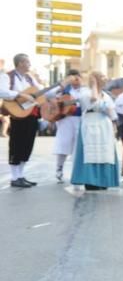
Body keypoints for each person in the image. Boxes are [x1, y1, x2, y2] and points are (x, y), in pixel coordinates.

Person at [1, 54, 42, 187]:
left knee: (27, 145)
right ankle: (14, 177)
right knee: (16, 144)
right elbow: (2, 91)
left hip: (31, 114)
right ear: (20, 63)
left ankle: (21, 175)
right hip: (17, 114)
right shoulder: (7, 76)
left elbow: (41, 91)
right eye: (27, 62)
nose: (30, 65)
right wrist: (20, 94)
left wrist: (59, 87)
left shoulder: (30, 78)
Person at [70, 79, 120, 190]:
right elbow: (94, 100)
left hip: (104, 124)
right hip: (90, 121)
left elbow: (111, 110)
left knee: (105, 153)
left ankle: (103, 180)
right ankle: (91, 181)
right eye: (101, 78)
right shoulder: (85, 92)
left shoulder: (106, 95)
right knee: (91, 153)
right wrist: (93, 86)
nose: (105, 81)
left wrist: (114, 125)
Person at [43, 69, 83, 183]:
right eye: (72, 78)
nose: (75, 80)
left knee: (78, 146)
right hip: (65, 119)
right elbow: (48, 95)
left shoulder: (85, 90)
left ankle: (77, 172)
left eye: (77, 77)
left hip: (81, 119)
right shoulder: (63, 90)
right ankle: (59, 168)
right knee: (63, 144)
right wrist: (64, 84)